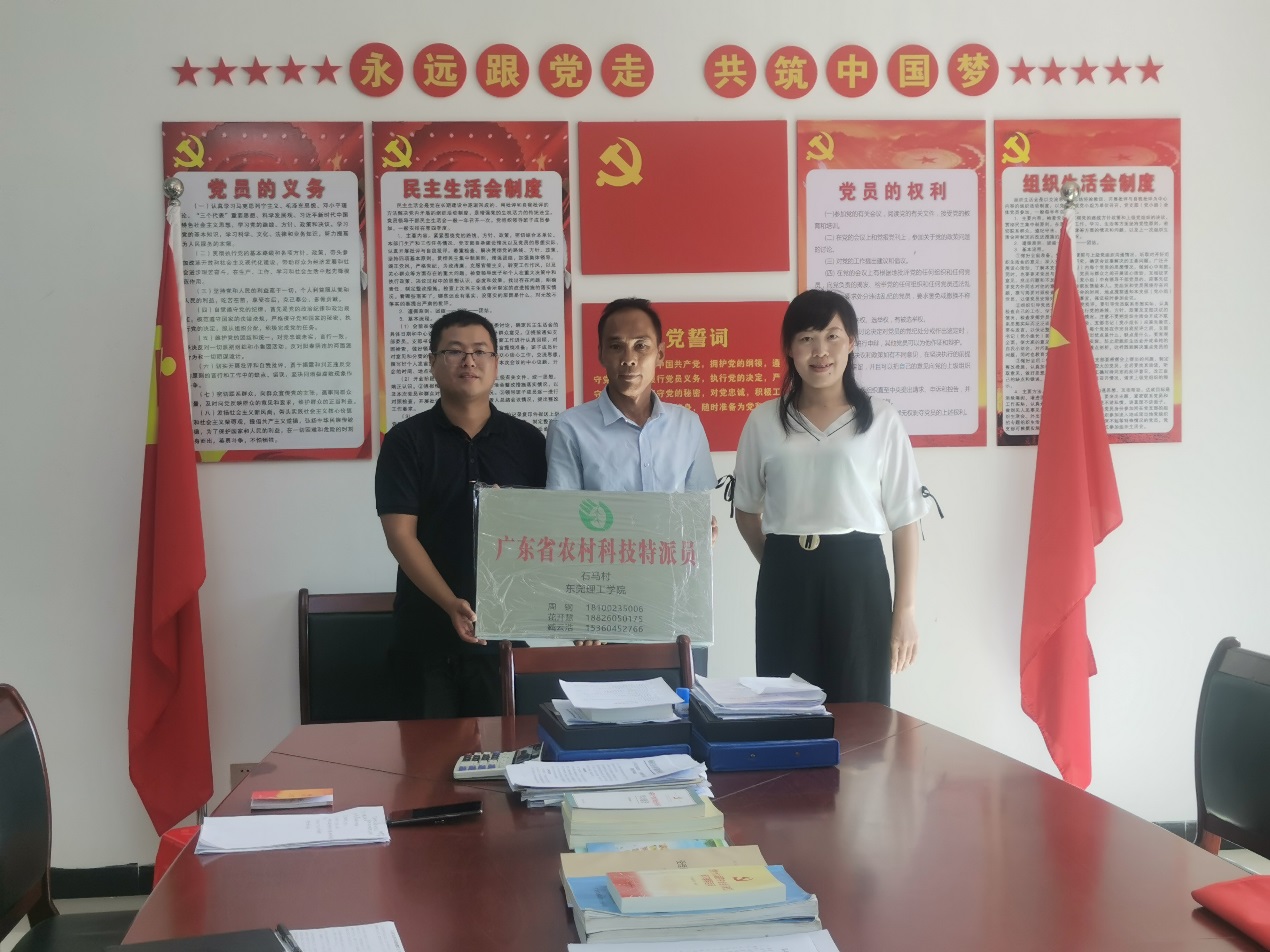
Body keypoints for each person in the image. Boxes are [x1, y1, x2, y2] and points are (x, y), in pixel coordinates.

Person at [733, 289, 928, 705]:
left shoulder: (881, 419)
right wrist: (780, 563)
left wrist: (905, 612)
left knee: (862, 710)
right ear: (789, 348)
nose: (820, 351)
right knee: (786, 709)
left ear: (851, 342)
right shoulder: (764, 421)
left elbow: (906, 521)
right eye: (806, 338)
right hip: (785, 579)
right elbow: (746, 511)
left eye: (832, 336)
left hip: (859, 577)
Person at [375, 309, 546, 717]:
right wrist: (451, 603)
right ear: (433, 363)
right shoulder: (405, 441)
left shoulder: (528, 442)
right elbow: (400, 536)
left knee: (504, 749)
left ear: (496, 364)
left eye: (480, 351)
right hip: (424, 634)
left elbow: (548, 532)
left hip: (504, 636)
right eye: (454, 351)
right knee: (425, 754)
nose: (469, 361)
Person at [546, 298, 716, 496]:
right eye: (616, 346)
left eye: (641, 346)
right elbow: (564, 510)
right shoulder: (569, 428)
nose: (629, 360)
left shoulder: (687, 425)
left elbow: (697, 505)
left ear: (660, 354)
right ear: (601, 354)